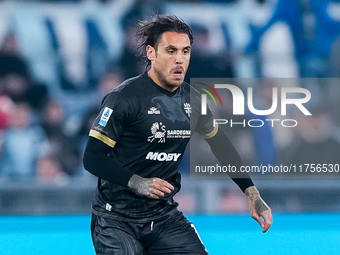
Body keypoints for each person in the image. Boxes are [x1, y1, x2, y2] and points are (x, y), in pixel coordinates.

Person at [83, 14, 272, 255]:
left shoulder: (193, 100)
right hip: (116, 220)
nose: (179, 60)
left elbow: (221, 145)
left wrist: (251, 192)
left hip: (163, 217)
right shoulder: (123, 98)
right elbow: (92, 157)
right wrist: (137, 182)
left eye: (185, 51)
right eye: (171, 51)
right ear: (151, 53)